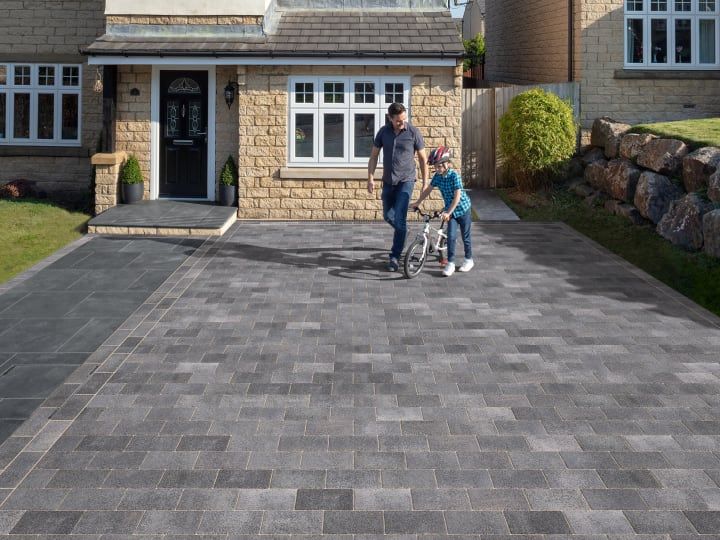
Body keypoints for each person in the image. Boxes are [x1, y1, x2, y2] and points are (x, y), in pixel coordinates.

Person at [367, 103, 429, 272]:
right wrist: (371, 178)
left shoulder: (413, 132)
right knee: (388, 216)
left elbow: (423, 160)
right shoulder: (383, 132)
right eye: (398, 121)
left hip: (406, 180)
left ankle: (394, 257)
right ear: (390, 118)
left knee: (400, 218)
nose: (402, 123)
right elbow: (373, 156)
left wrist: (425, 183)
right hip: (388, 181)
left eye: (404, 119)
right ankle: (403, 231)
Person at [411, 145, 473, 277]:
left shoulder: (454, 176)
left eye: (439, 166)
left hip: (463, 209)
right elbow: (428, 190)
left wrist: (448, 212)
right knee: (451, 236)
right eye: (435, 166)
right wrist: (418, 202)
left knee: (465, 237)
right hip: (451, 212)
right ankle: (450, 263)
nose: (437, 169)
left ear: (447, 164)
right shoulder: (438, 177)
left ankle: (469, 260)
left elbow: (457, 197)